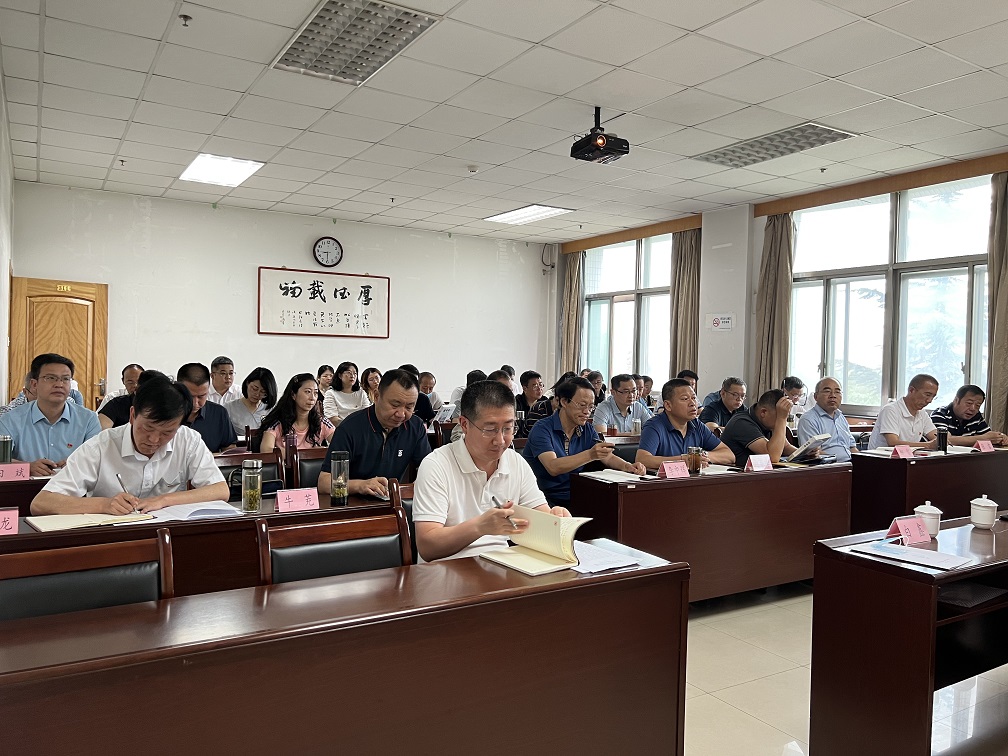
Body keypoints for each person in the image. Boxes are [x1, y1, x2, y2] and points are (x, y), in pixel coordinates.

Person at [412, 380, 572, 562]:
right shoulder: (436, 465)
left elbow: (540, 516)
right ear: (464, 424)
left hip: (501, 565)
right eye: (490, 429)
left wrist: (555, 519)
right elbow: (427, 547)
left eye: (508, 428)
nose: (500, 440)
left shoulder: (515, 462)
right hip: (445, 569)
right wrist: (480, 527)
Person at [30, 373, 229, 515]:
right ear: (133, 415)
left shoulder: (188, 439)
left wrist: (163, 500)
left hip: (166, 536)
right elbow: (41, 503)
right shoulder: (100, 446)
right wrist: (104, 505)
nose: (154, 440)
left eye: (167, 432)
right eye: (148, 428)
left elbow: (220, 490)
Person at [523, 377, 646, 507]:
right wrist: (590, 455)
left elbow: (607, 456)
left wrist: (628, 467)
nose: (587, 412)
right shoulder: (542, 429)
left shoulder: (587, 429)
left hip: (577, 495)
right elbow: (553, 467)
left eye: (591, 407)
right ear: (564, 402)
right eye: (582, 405)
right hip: (543, 499)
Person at [318, 369, 432, 498]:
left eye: (409, 407)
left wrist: (423, 481)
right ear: (376, 396)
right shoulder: (350, 428)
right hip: (355, 503)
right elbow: (324, 482)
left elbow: (428, 468)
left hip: (394, 502)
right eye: (395, 405)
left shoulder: (415, 426)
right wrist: (361, 485)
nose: (401, 414)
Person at [0, 353, 101, 477]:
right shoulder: (10, 420)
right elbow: (1, 462)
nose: (59, 384)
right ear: (34, 384)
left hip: (75, 486)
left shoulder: (88, 420)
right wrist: (27, 467)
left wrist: (79, 463)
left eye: (65, 379)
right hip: (27, 487)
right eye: (51, 378)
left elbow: (97, 459)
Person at [636, 379, 734, 470]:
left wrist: (701, 456)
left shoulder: (696, 424)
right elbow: (643, 459)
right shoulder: (654, 425)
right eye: (685, 399)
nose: (692, 403)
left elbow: (729, 455)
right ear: (668, 405)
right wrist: (682, 460)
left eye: (694, 398)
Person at [260, 374, 335, 460]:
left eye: (316, 393)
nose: (312, 398)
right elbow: (266, 450)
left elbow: (341, 445)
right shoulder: (277, 422)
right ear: (293, 395)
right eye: (307, 392)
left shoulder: (321, 421)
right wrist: (310, 453)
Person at [720, 389, 798, 468]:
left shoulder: (768, 423)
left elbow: (786, 447)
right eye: (781, 414)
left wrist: (803, 454)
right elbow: (772, 457)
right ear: (763, 412)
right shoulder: (741, 422)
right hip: (737, 473)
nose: (785, 419)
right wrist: (781, 419)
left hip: (759, 472)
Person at [867, 374, 940, 450]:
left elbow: (935, 436)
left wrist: (942, 440)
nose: (929, 401)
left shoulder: (922, 413)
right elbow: (893, 443)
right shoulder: (890, 410)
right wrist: (928, 445)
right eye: (927, 395)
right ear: (911, 390)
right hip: (882, 456)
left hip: (908, 456)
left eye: (933, 397)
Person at [177, 363, 237, 453]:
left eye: (201, 396)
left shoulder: (219, 413)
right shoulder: (166, 413)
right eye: (190, 396)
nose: (195, 403)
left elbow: (229, 449)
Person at [796, 377, 858, 463]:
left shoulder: (841, 417)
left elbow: (852, 448)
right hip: (831, 466)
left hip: (850, 464)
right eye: (827, 391)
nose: (833, 395)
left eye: (837, 392)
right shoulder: (808, 419)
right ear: (816, 396)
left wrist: (862, 462)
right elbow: (813, 454)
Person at [930, 384, 1007, 447]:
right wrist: (983, 438)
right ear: (956, 400)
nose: (973, 409)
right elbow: (943, 440)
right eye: (969, 403)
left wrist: (1000, 438)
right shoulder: (940, 414)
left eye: (977, 405)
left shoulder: (976, 417)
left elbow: (988, 436)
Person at [225, 367, 277, 435]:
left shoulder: (271, 410)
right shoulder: (229, 407)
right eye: (254, 389)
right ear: (247, 383)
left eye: (263, 392)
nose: (257, 394)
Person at [323, 361, 370, 426]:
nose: (352, 376)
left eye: (355, 373)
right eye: (349, 373)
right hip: (340, 428)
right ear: (340, 375)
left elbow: (367, 413)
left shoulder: (361, 393)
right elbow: (332, 418)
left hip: (361, 427)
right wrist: (350, 426)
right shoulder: (331, 394)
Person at [514, 370, 552, 438]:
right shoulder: (516, 403)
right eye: (535, 386)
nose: (539, 389)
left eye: (540, 385)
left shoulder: (545, 402)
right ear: (525, 388)